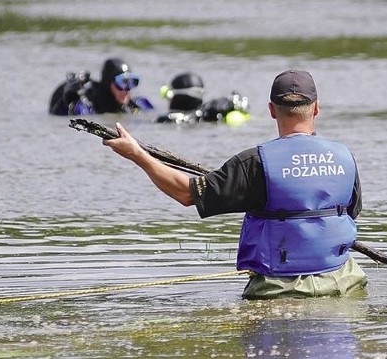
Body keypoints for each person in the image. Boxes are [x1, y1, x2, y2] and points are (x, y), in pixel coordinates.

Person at [103, 70, 368, 299]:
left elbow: (186, 193)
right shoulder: (344, 156)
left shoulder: (255, 162)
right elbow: (351, 214)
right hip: (344, 281)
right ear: (317, 108)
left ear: (271, 110)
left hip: (279, 289)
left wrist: (137, 155)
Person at [48, 57, 154, 116]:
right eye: (122, 83)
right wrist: (67, 102)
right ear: (109, 82)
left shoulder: (136, 105)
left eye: (131, 83)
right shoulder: (88, 106)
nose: (126, 89)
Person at [155, 71, 250, 126]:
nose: (168, 101)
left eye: (168, 96)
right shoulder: (211, 111)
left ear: (178, 98)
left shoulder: (169, 120)